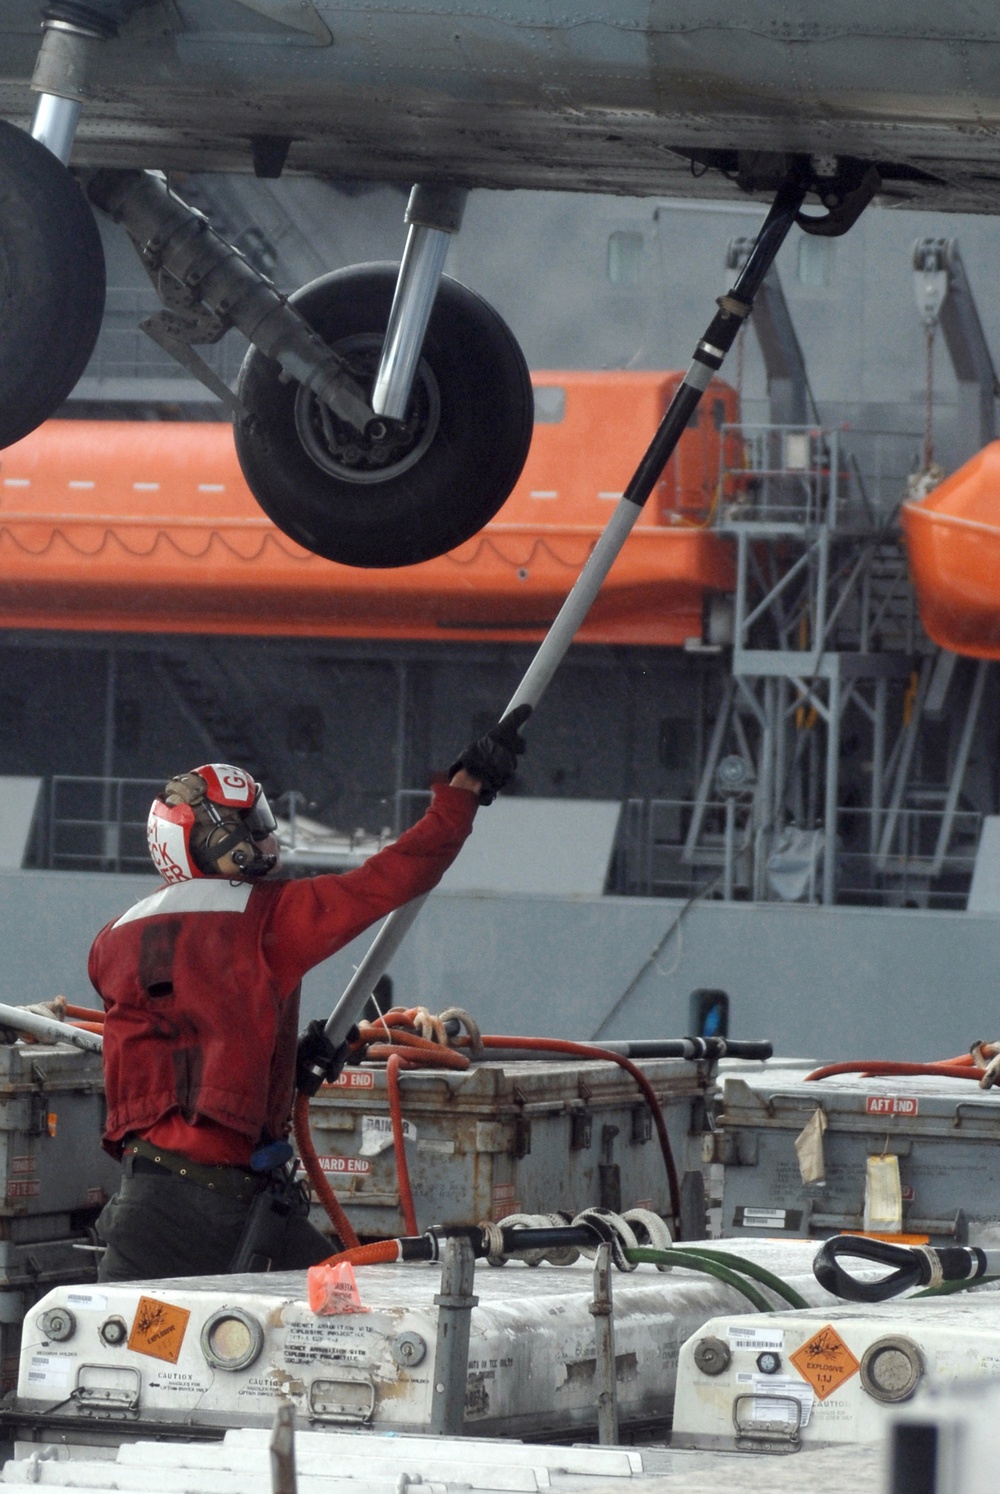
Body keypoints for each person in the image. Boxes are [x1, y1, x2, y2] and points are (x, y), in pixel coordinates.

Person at [89, 708, 529, 1282]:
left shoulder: (114, 939)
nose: (263, 836)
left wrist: (286, 1062)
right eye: (247, 825)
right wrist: (461, 794)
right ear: (215, 841)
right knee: (350, 1325)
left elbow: (186, 1040)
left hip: (144, 1205)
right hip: (226, 1207)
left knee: (122, 1360)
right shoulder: (267, 919)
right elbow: (396, 875)